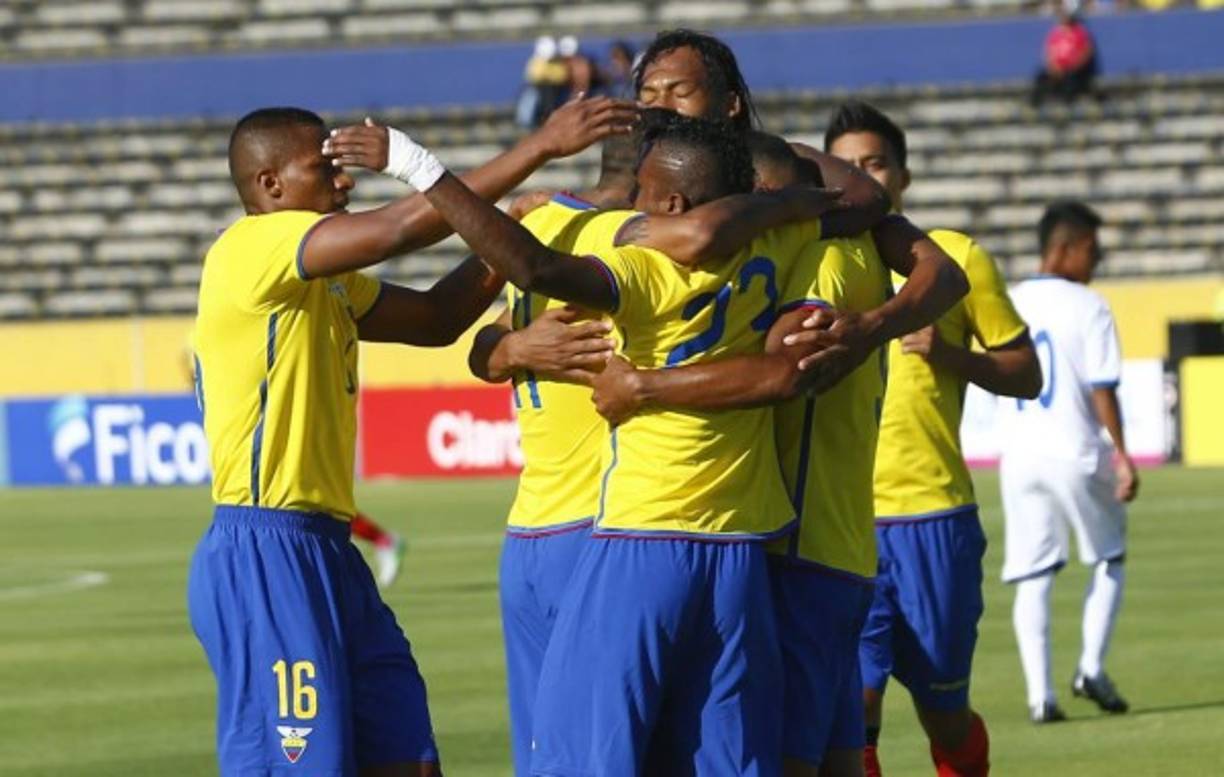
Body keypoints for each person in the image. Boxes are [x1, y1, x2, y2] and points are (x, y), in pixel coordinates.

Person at [400, 108, 863, 775]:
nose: (638, 213)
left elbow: (532, 267)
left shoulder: (641, 271)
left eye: (647, 200)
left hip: (637, 539)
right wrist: (790, 202)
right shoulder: (786, 248)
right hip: (737, 546)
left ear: (672, 204)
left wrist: (422, 170)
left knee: (585, 754)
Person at [187, 97, 633, 776]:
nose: (344, 179)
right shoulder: (251, 247)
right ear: (271, 185)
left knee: (408, 756)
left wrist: (504, 233)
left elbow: (436, 317)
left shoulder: (324, 281)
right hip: (264, 552)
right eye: (325, 166)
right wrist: (537, 148)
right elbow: (400, 226)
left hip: (328, 550)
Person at [585, 136, 969, 777]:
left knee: (783, 757)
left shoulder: (816, 260)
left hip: (798, 551)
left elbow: (790, 366)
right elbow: (938, 273)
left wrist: (646, 383)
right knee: (838, 752)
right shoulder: (863, 242)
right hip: (839, 543)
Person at [825, 101, 1042, 777]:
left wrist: (951, 356)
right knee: (852, 702)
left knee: (943, 709)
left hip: (932, 521)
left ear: (904, 176)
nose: (862, 176)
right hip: (841, 522)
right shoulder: (812, 262)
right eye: (846, 165)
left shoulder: (956, 260)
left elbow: (1026, 372)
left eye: (876, 162)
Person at [996, 201, 1138, 723]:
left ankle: (1040, 697)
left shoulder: (1008, 300)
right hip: (1075, 451)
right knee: (1109, 558)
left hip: (1019, 457)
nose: (1096, 262)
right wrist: (1122, 454)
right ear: (1065, 248)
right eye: (1092, 252)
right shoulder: (1089, 305)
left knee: (1033, 574)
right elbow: (1103, 387)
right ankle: (1090, 669)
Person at [1031, 8, 1099, 106]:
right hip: (1058, 69)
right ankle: (1034, 107)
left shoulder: (1079, 32)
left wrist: (1072, 66)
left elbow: (1086, 52)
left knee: (1070, 80)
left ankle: (1066, 106)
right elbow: (1049, 53)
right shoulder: (1056, 34)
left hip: (1073, 69)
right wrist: (1054, 67)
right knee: (1041, 76)